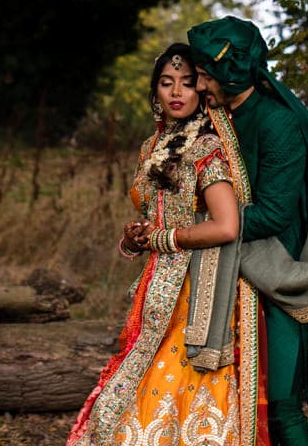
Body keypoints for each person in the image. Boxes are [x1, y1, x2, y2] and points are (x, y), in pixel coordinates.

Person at [68, 43, 267, 446]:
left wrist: (162, 238)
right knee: (133, 393)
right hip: (156, 290)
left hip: (197, 295)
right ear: (155, 92)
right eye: (166, 83)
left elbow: (227, 226)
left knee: (173, 394)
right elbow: (157, 216)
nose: (176, 92)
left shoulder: (207, 150)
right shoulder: (150, 148)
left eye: (187, 83)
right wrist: (135, 238)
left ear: (202, 91)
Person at [187, 16, 308, 446]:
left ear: (230, 71)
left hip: (275, 272)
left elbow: (275, 213)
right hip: (229, 271)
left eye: (204, 75)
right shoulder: (216, 118)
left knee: (279, 406)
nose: (199, 86)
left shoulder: (277, 122)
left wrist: (198, 228)